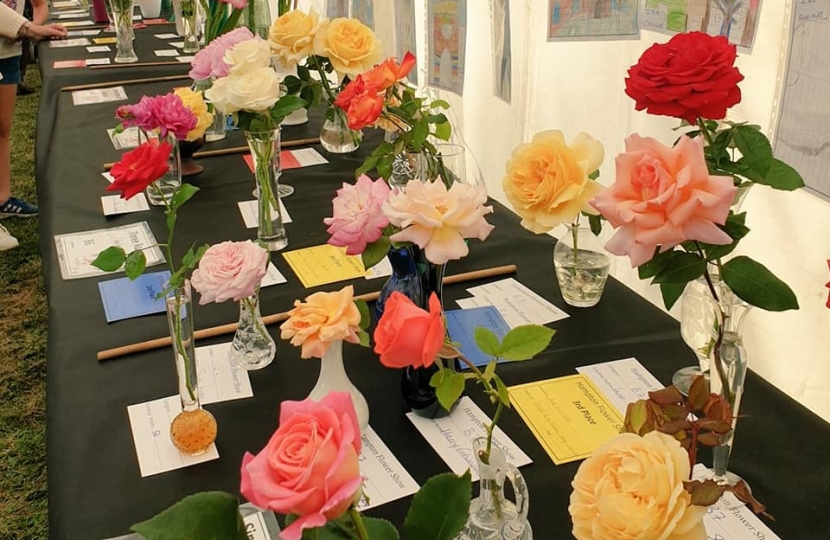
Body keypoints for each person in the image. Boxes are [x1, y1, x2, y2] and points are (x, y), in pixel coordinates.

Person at [0, 1, 65, 250]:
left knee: (2, 127)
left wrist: (28, 29)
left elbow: (39, 5)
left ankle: (3, 199)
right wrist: (29, 29)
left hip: (8, 50)